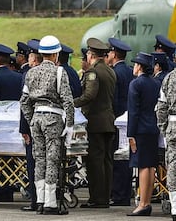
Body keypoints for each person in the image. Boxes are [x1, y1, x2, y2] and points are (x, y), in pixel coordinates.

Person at [20, 35, 74, 215]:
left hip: (36, 117)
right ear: (57, 54)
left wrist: (30, 119)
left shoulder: (31, 72)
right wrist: (70, 125)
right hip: (53, 117)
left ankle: (40, 200)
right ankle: (51, 202)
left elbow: (24, 101)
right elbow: (68, 100)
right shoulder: (60, 72)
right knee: (52, 159)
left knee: (39, 159)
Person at [74, 37, 116, 209]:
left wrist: (72, 103)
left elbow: (89, 95)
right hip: (108, 121)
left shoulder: (93, 72)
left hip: (96, 122)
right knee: (106, 161)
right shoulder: (110, 71)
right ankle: (104, 197)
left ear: (91, 55)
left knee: (95, 161)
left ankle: (97, 198)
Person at [0, 43, 23, 202]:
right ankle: (9, 187)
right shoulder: (19, 77)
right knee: (12, 158)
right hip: (15, 122)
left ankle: (0, 190)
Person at [126, 52, 160, 216]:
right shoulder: (155, 83)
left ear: (139, 66)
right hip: (153, 128)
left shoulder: (135, 84)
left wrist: (130, 134)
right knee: (151, 165)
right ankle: (147, 201)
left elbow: (133, 111)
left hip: (140, 129)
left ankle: (143, 203)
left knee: (142, 166)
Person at [106, 37, 134, 207]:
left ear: (114, 54)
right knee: (126, 157)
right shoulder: (130, 71)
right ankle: (124, 193)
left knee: (117, 158)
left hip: (117, 120)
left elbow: (114, 100)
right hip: (129, 119)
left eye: (109, 52)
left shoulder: (115, 73)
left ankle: (118, 194)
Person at [19, 39, 41, 212]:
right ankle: (47, 198)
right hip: (51, 125)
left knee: (33, 163)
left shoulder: (29, 75)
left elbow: (24, 104)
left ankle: (36, 199)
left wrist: (25, 129)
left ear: (33, 59)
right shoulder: (56, 72)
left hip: (34, 125)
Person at [157, 59, 176, 221]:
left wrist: (164, 129)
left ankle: (175, 207)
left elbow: (161, 108)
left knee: (173, 166)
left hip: (173, 128)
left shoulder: (169, 78)